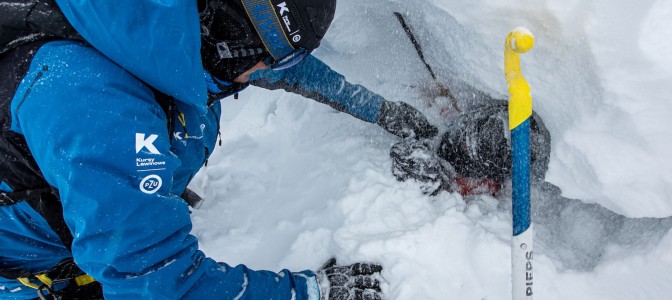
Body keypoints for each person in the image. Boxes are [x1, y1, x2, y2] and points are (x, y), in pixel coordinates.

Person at [0, 0, 438, 298]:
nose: (269, 71)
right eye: (276, 57)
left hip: (108, 218)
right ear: (234, 35)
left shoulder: (170, 34)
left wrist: (383, 113)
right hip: (30, 273)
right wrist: (306, 291)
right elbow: (159, 284)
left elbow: (298, 75)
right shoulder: (97, 106)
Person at [391, 97, 672, 271]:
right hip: (497, 147)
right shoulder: (464, 163)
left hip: (500, 143)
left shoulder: (470, 154)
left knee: (484, 148)